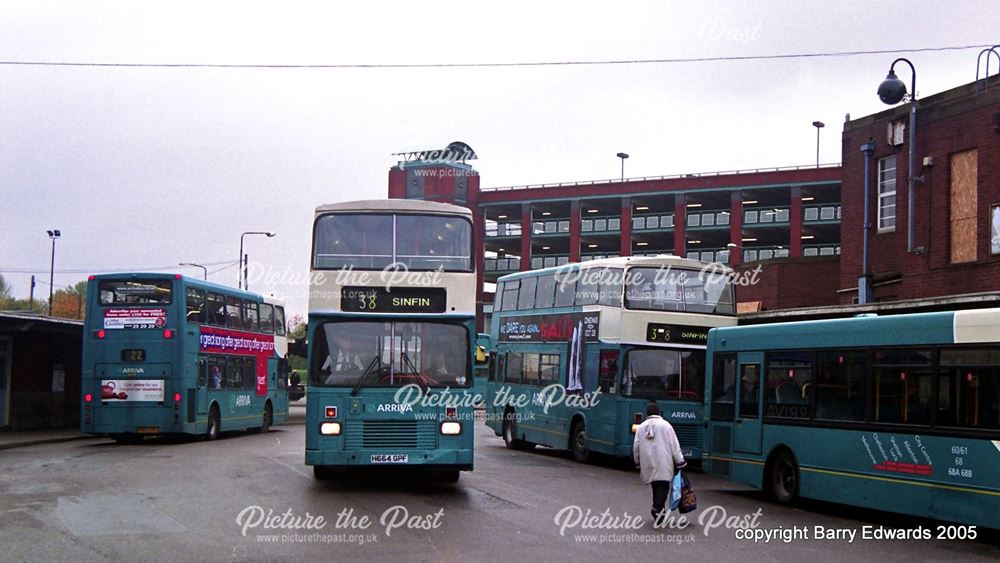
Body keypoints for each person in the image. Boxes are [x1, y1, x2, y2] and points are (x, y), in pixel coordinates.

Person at [632, 401, 686, 525]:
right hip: (664, 461)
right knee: (663, 486)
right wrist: (680, 461)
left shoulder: (641, 427)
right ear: (659, 413)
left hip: (648, 462)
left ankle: (659, 512)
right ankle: (656, 508)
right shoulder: (666, 425)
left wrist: (637, 462)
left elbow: (636, 446)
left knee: (655, 486)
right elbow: (674, 445)